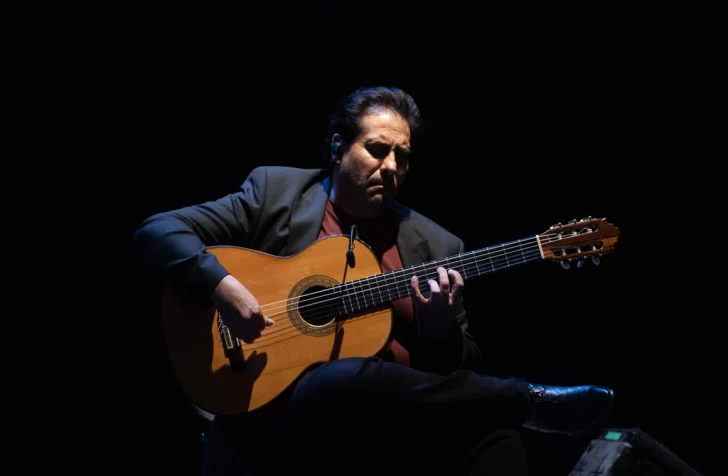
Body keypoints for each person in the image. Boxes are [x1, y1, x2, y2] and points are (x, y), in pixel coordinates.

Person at [133, 86, 614, 475]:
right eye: (377, 150)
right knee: (339, 377)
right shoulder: (276, 192)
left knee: (493, 433)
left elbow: (453, 369)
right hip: (277, 408)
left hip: (391, 427)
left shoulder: (437, 246)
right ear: (339, 149)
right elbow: (159, 230)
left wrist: (440, 325)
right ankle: (522, 399)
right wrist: (221, 285)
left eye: (402, 158)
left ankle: (511, 409)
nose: (391, 167)